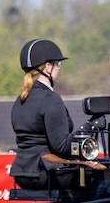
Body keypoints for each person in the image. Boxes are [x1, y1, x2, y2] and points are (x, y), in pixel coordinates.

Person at [9, 39, 77, 188]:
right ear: (47, 67)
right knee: (102, 178)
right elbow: (61, 146)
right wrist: (88, 131)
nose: (59, 68)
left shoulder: (20, 99)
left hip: (21, 173)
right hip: (47, 172)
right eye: (58, 64)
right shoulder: (51, 99)